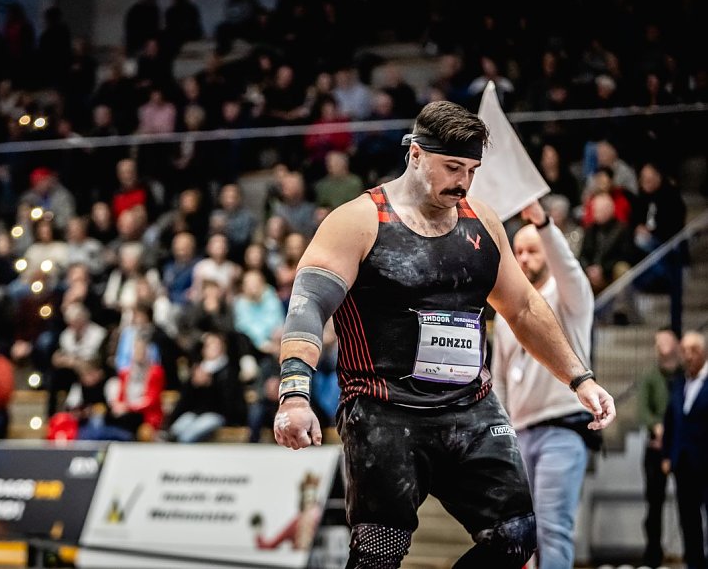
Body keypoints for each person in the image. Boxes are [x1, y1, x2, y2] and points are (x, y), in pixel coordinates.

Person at [272, 100, 616, 569]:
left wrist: (581, 378)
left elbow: (523, 306)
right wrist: (294, 394)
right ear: (414, 154)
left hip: (470, 408)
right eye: (452, 166)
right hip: (384, 411)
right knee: (379, 554)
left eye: (472, 169)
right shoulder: (358, 220)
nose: (464, 182)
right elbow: (309, 305)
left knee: (516, 537)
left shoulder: (483, 221)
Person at [491, 199, 599, 569]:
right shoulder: (506, 315)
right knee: (521, 535)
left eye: (532, 250)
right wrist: (501, 437)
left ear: (548, 253)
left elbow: (568, 267)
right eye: (517, 251)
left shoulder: (571, 299)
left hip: (561, 430)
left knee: (553, 529)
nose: (523, 258)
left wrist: (544, 225)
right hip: (519, 435)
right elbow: (499, 382)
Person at [662, 330, 708, 569]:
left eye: (693, 350)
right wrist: (668, 455)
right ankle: (694, 564)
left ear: (704, 352)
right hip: (683, 464)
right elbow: (671, 422)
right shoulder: (679, 384)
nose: (688, 356)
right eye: (685, 351)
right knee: (688, 520)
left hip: (706, 463)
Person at [637, 327, 682, 568]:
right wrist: (657, 427)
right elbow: (643, 411)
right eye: (658, 341)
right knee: (654, 504)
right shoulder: (651, 376)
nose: (662, 345)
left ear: (677, 342)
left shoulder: (686, 375)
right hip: (657, 448)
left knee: (690, 503)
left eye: (666, 339)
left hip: (683, 449)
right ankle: (653, 555)